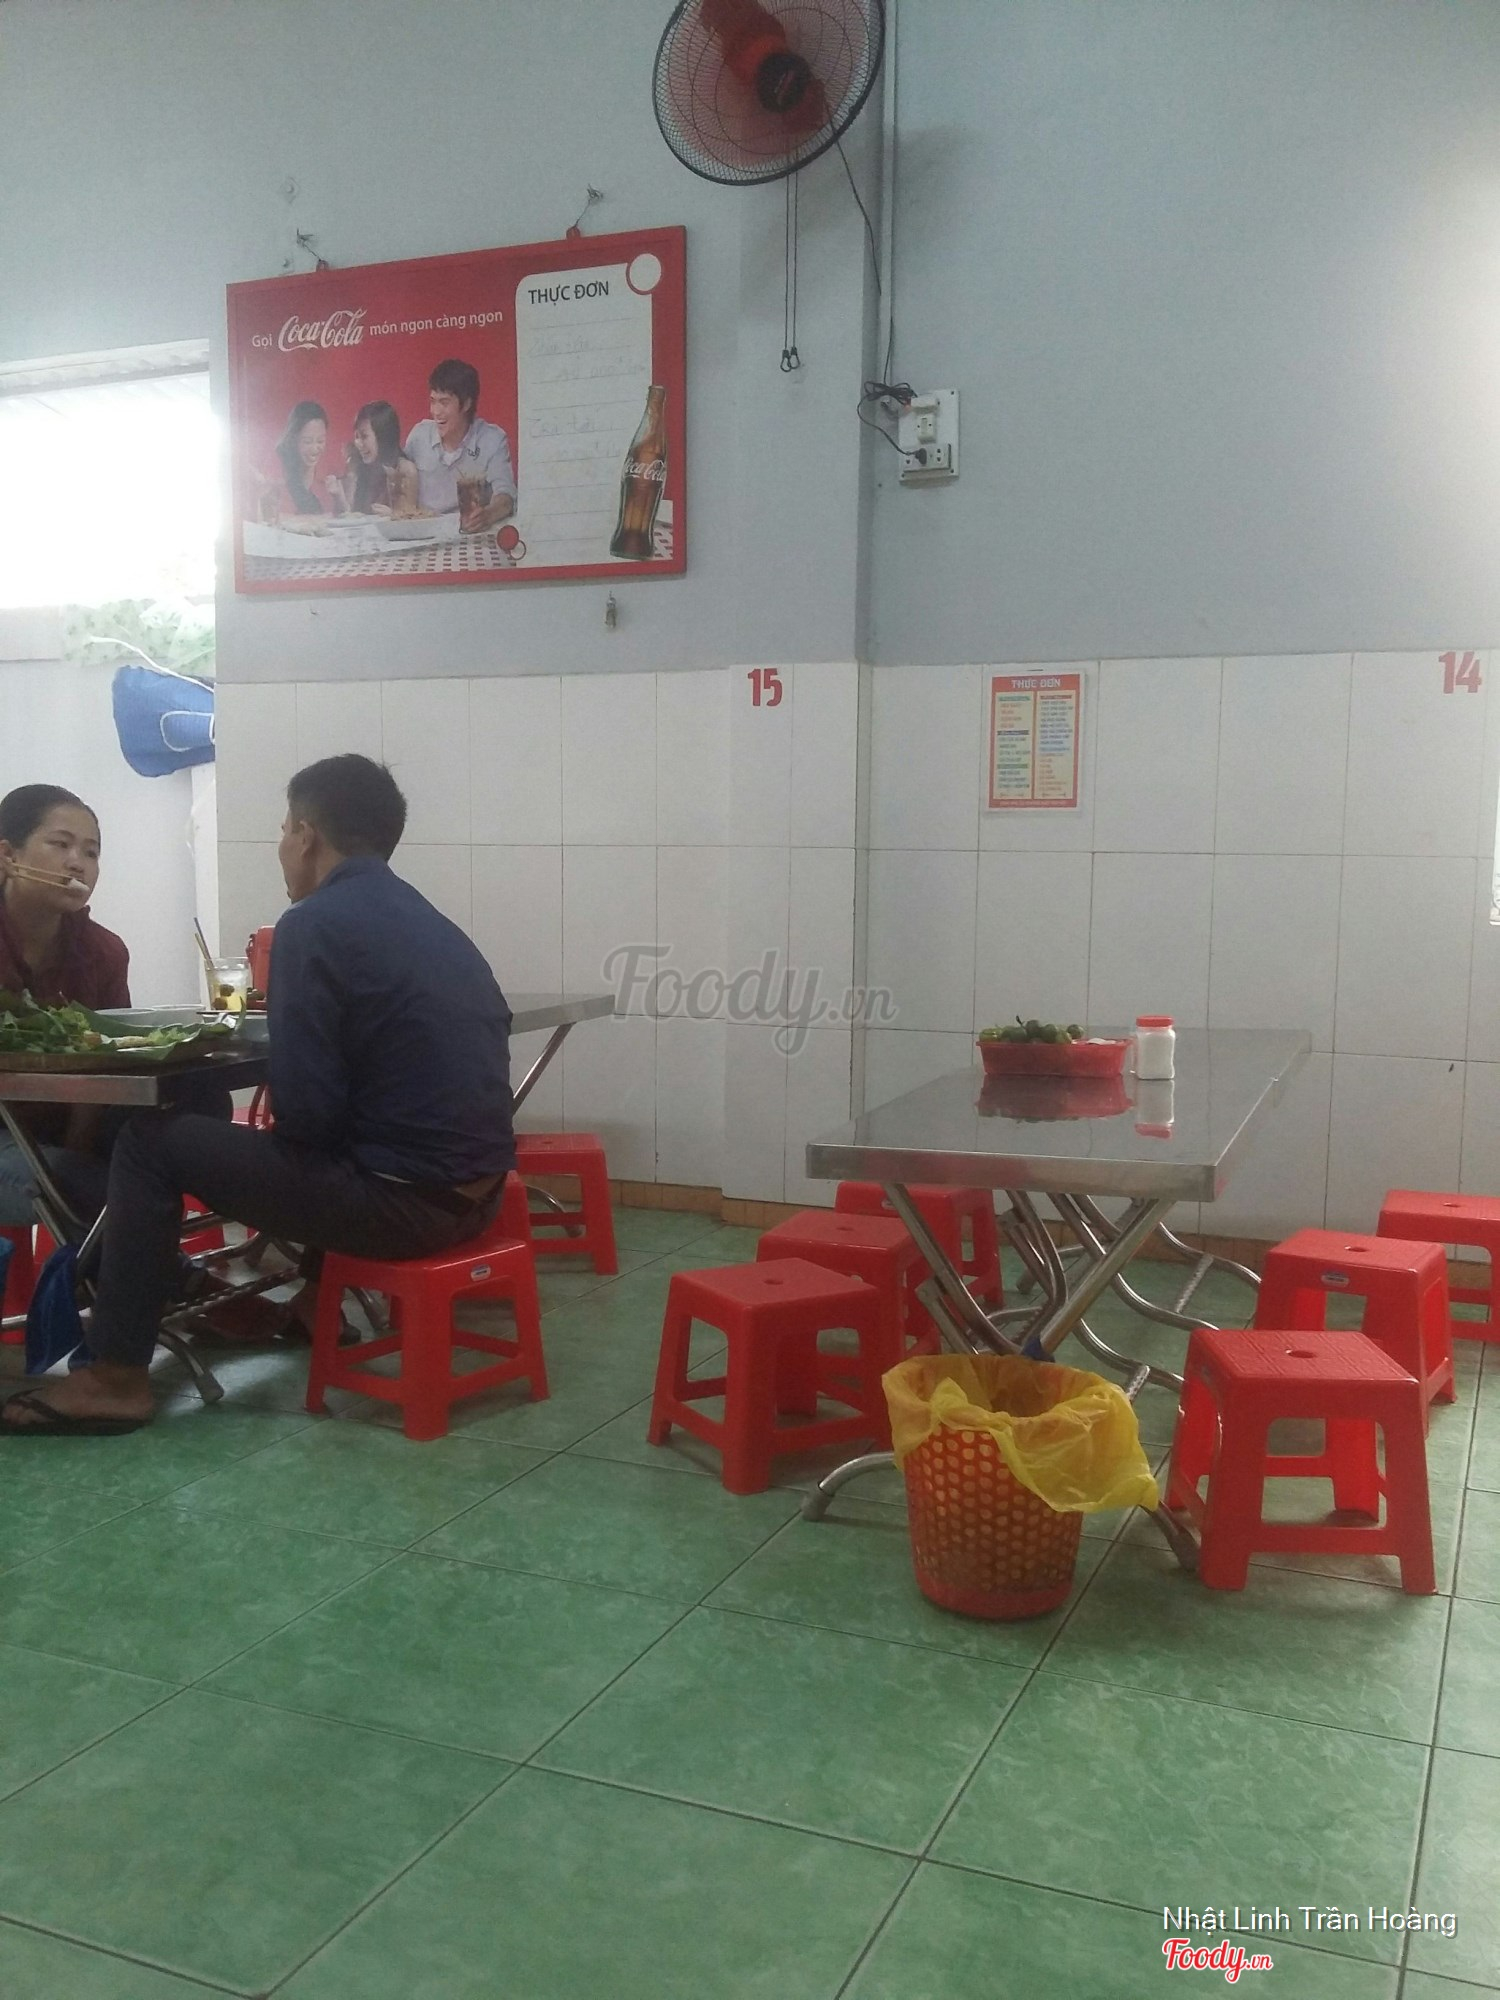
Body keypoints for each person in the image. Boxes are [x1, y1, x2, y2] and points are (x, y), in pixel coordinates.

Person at [1, 754, 516, 1435]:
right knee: (288, 1133)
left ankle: (117, 1378)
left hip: (403, 1209)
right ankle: (305, 1304)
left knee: (155, 1145)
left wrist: (261, 1171)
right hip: (479, 1199)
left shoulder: (312, 923)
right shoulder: (431, 921)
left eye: (282, 829)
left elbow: (308, 1114)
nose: (77, 864)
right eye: (61, 846)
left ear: (305, 835)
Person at [0, 785, 130, 1228]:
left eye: (91, 852)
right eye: (60, 844)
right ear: (8, 855)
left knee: (192, 1117)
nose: (78, 863)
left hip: (62, 1125)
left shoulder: (104, 952)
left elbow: (106, 1066)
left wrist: (78, 1145)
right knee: (97, 1189)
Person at [404, 359, 517, 528]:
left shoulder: (492, 439)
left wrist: (489, 514)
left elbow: (506, 496)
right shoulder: (418, 436)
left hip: (472, 532)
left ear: (466, 404)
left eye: (444, 403)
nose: (436, 412)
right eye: (433, 401)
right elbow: (401, 486)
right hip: (425, 531)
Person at [260, 399, 339, 517]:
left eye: (320, 441)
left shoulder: (327, 471)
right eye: (307, 442)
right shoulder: (276, 465)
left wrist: (338, 497)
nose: (314, 449)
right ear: (293, 439)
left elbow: (339, 517)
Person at [341, 401, 419, 516]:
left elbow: (409, 518)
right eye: (356, 436)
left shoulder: (405, 470)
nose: (358, 443)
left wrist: (392, 514)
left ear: (383, 436)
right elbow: (348, 512)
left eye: (364, 436)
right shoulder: (356, 465)